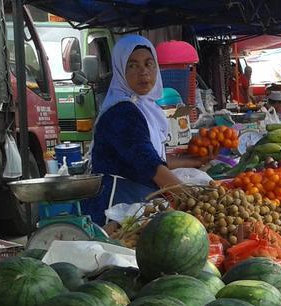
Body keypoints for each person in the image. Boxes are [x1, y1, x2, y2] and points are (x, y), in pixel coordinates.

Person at [85, 36, 202, 225]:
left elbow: (155, 158)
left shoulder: (144, 106)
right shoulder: (121, 111)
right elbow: (149, 164)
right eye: (132, 65)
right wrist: (192, 199)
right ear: (120, 70)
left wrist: (196, 161)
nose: (143, 72)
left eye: (149, 64)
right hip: (115, 211)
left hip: (137, 205)